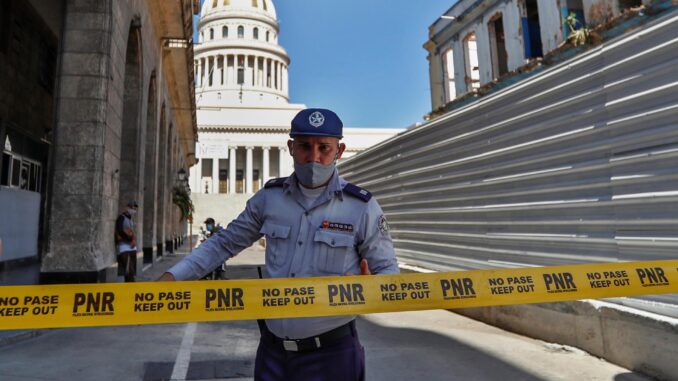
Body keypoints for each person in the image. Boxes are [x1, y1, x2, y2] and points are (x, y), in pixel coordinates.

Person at [159, 108, 399, 381]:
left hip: (332, 354)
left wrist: (372, 290)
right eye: (305, 147)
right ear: (290, 147)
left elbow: (388, 272)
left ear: (340, 151)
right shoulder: (269, 199)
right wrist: (175, 275)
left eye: (324, 148)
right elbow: (224, 243)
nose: (314, 157)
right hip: (273, 352)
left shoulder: (361, 208)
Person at [115, 200, 138, 282]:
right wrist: (130, 238)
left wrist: (134, 239)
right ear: (127, 207)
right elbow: (120, 231)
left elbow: (132, 232)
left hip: (132, 248)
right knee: (129, 270)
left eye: (135, 208)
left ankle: (128, 287)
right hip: (124, 247)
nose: (134, 210)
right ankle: (132, 288)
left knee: (131, 271)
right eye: (132, 208)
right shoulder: (121, 218)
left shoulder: (130, 219)